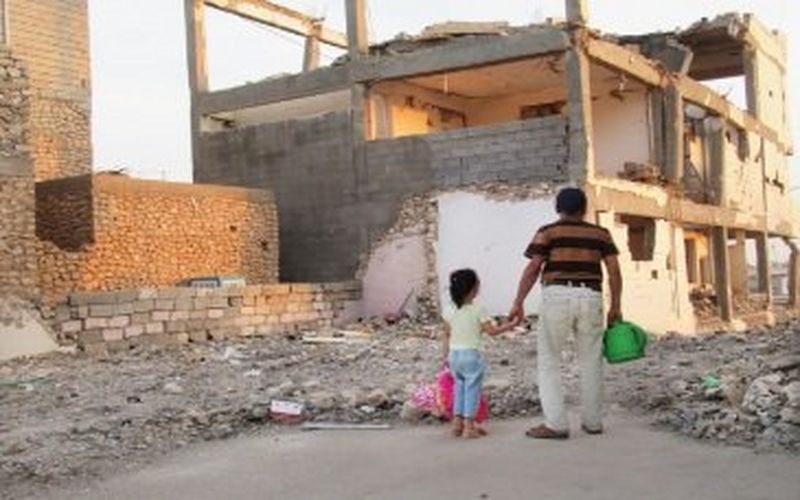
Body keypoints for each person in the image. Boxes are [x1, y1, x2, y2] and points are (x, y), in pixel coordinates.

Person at [509, 187, 623, 439]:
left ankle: (556, 424)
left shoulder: (547, 232)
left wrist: (518, 301)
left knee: (549, 361)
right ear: (584, 209)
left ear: (557, 209)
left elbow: (534, 267)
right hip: (591, 296)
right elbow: (614, 270)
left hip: (557, 296)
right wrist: (616, 306)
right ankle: (593, 422)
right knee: (591, 361)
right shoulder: (600, 234)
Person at [443, 269, 519, 439]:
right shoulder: (479, 309)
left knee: (459, 388)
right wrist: (511, 325)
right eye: (478, 284)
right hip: (471, 355)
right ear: (472, 289)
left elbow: (447, 334)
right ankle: (469, 426)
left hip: (454, 355)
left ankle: (457, 423)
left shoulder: (449, 310)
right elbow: (492, 331)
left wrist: (445, 356)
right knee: (472, 390)